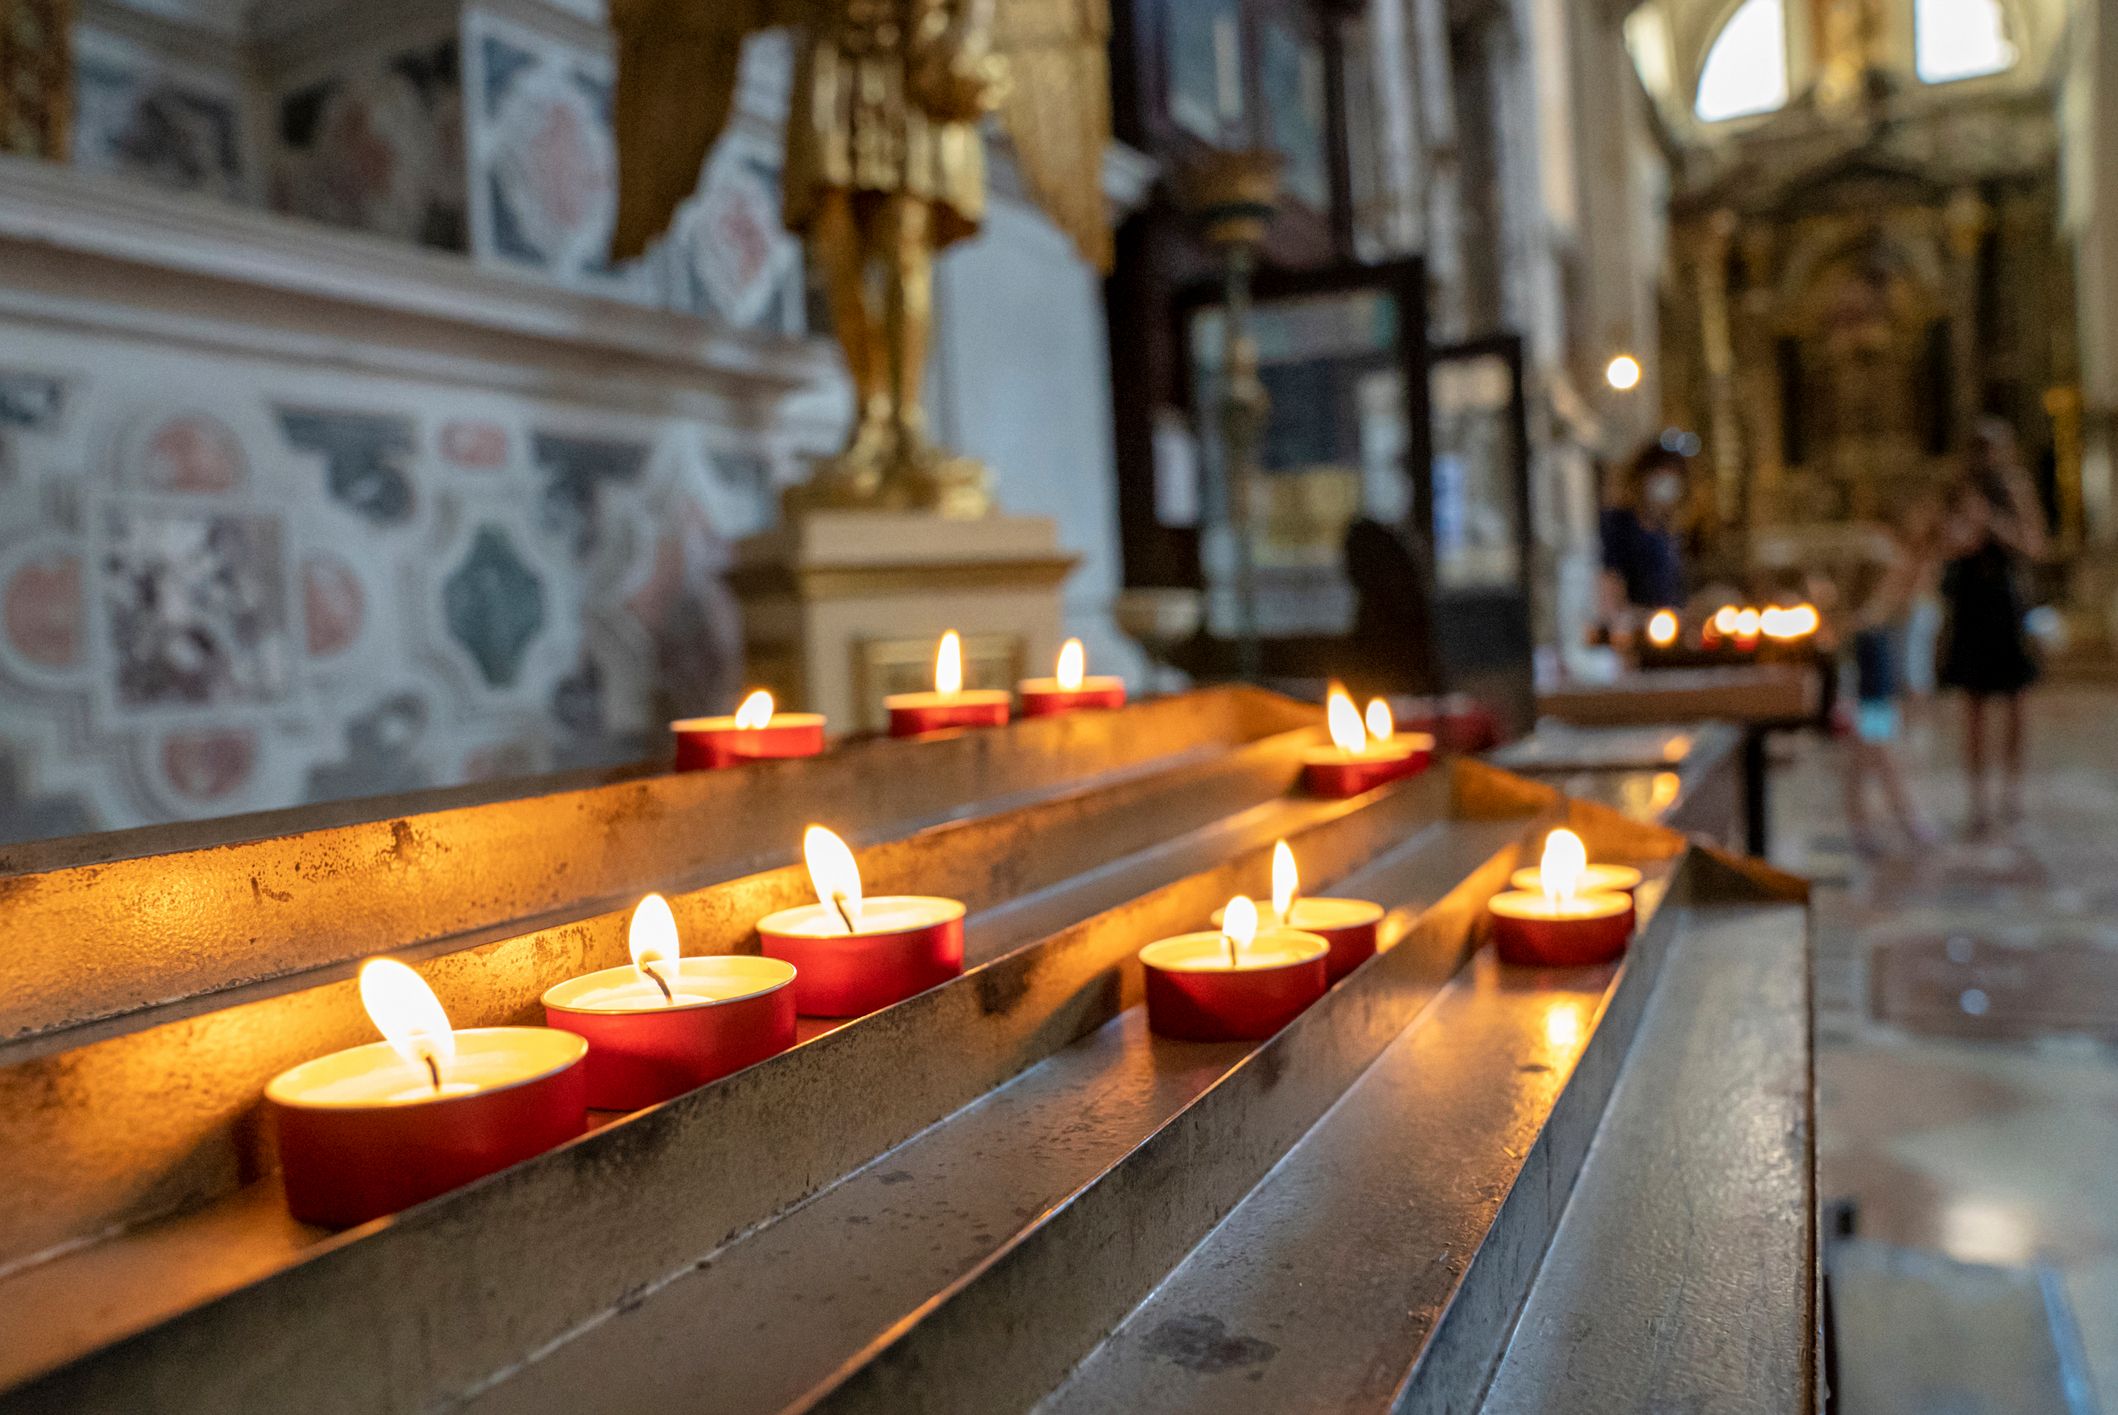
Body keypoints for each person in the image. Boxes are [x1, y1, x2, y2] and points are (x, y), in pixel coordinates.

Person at [1937, 418, 2046, 836]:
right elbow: (1945, 544)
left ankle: (2012, 792)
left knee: (2017, 703)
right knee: (1974, 706)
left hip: (2006, 601)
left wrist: (1996, 526)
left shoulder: (2016, 489)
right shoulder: (1959, 492)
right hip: (1971, 602)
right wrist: (1967, 527)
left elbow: (2035, 545)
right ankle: (1978, 797)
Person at [1842, 528, 1935, 855]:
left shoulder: (1876, 619)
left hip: (1876, 699)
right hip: (1870, 703)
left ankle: (1864, 824)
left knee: (1863, 762)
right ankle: (1906, 820)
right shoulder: (1866, 622)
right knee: (1881, 759)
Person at [1599, 444, 1691, 627]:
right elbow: (1610, 580)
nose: (1667, 484)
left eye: (1674, 476)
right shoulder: (1618, 524)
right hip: (1634, 629)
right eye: (1660, 474)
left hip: (1665, 628)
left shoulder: (1668, 533)